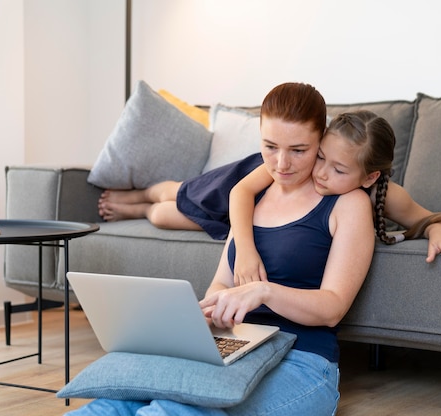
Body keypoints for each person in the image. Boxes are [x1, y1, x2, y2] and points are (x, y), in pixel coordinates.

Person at [70, 82, 376, 415]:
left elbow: (333, 307)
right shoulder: (252, 197)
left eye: (299, 150)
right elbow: (221, 282)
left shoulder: (348, 203)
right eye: (270, 146)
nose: (281, 164)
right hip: (235, 346)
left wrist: (263, 292)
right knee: (110, 406)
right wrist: (208, 311)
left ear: (321, 143)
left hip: (301, 361)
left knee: (173, 412)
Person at [97, 113, 441, 272]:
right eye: (320, 156)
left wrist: (438, 231)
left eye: (338, 170)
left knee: (165, 216)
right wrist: (244, 248)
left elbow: (426, 218)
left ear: (370, 177)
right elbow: (241, 192)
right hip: (240, 189)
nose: (320, 173)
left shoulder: (381, 194)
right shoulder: (294, 165)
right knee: (181, 193)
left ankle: (137, 210)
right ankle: (139, 192)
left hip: (264, 220)